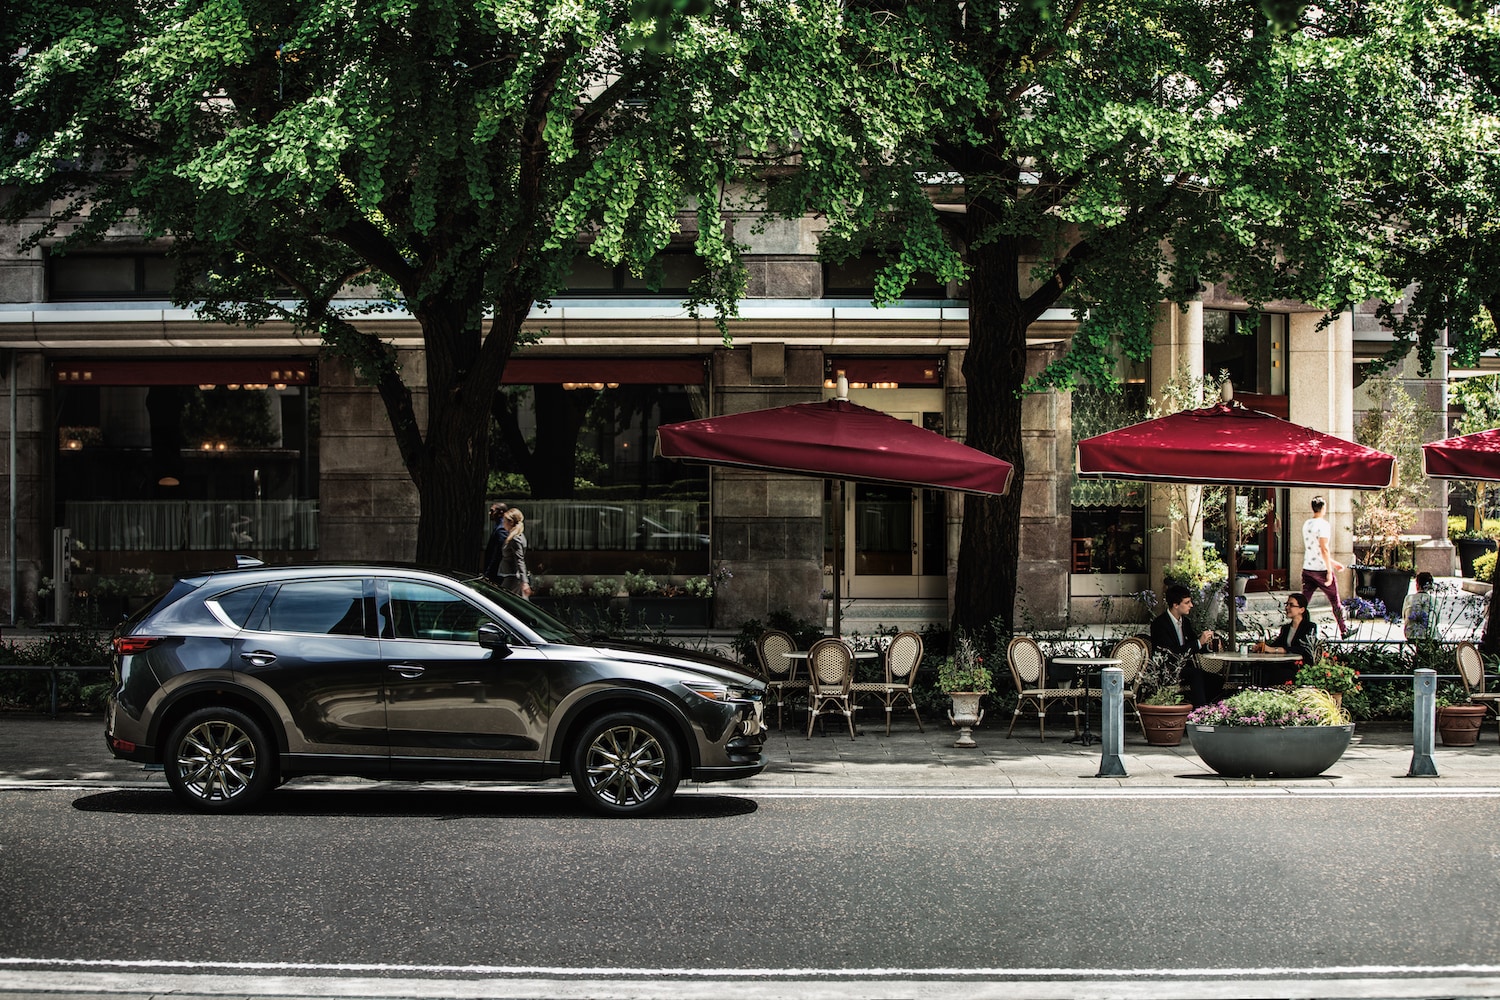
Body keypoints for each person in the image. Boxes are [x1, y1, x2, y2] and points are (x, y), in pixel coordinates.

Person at [1149, 584, 1219, 707]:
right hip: (1168, 669)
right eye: (1187, 602)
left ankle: (1202, 708)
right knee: (1196, 674)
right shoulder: (1159, 624)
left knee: (1216, 680)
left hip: (1185, 668)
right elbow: (1173, 653)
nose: (1191, 605)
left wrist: (1208, 646)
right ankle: (1200, 712)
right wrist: (1199, 642)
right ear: (1175, 605)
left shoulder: (1185, 622)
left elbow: (1194, 645)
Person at [1300, 495, 1354, 640]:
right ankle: (1344, 630)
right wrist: (1330, 571)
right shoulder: (1323, 525)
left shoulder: (1307, 524)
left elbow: (1315, 549)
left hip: (1308, 567)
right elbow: (1323, 549)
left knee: (1302, 603)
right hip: (1321, 570)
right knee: (1335, 601)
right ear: (1324, 508)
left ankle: (1296, 629)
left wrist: (1333, 563)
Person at [1254, 592, 1318, 684]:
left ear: (1301, 609)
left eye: (1291, 605)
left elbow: (1302, 648)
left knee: (1276, 673)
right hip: (1285, 663)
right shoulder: (1286, 628)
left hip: (1299, 667)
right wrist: (1263, 647)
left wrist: (1276, 650)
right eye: (1286, 604)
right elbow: (1276, 644)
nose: (1287, 607)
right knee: (1260, 666)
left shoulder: (1309, 627)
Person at [496, 507, 531, 598]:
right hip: (512, 575)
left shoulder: (515, 539)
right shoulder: (517, 536)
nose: (503, 524)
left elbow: (520, 560)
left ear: (511, 522)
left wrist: (524, 581)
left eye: (504, 521)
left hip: (512, 576)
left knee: (502, 600)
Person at [1402, 571, 1439, 642]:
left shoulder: (1409, 598)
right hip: (1428, 635)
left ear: (1417, 585)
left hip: (1410, 634)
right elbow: (1437, 621)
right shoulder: (1434, 601)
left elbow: (1404, 616)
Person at [482, 502, 509, 583]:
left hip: (497, 571)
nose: (489, 513)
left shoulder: (501, 529)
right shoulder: (498, 526)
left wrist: (488, 572)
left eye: (492, 511)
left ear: (501, 513)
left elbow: (498, 553)